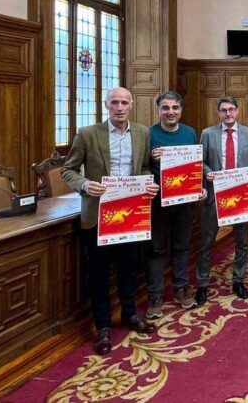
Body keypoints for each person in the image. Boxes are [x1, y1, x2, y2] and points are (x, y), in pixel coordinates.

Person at [61, 87, 158, 355]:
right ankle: (102, 326)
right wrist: (84, 184)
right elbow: (67, 170)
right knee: (100, 274)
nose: (119, 107)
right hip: (99, 215)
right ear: (106, 105)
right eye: (114, 102)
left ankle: (129, 314)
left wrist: (149, 183)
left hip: (131, 214)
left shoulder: (142, 133)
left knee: (129, 268)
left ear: (131, 105)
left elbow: (145, 167)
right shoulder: (87, 134)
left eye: (124, 102)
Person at [196, 96, 248, 305]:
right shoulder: (208, 133)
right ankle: (202, 284)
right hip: (216, 193)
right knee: (207, 241)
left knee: (241, 240)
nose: (228, 113)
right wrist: (207, 173)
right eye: (224, 110)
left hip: (241, 194)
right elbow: (201, 161)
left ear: (238, 111)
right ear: (219, 113)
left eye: (231, 109)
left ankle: (238, 280)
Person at [146, 91, 204, 319]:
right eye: (165, 108)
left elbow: (195, 165)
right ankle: (155, 296)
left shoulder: (189, 133)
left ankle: (181, 289)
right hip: (158, 202)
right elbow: (139, 167)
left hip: (184, 202)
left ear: (181, 110)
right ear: (159, 110)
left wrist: (198, 187)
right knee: (156, 250)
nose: (170, 112)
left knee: (181, 247)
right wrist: (152, 159)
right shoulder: (148, 134)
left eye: (175, 108)